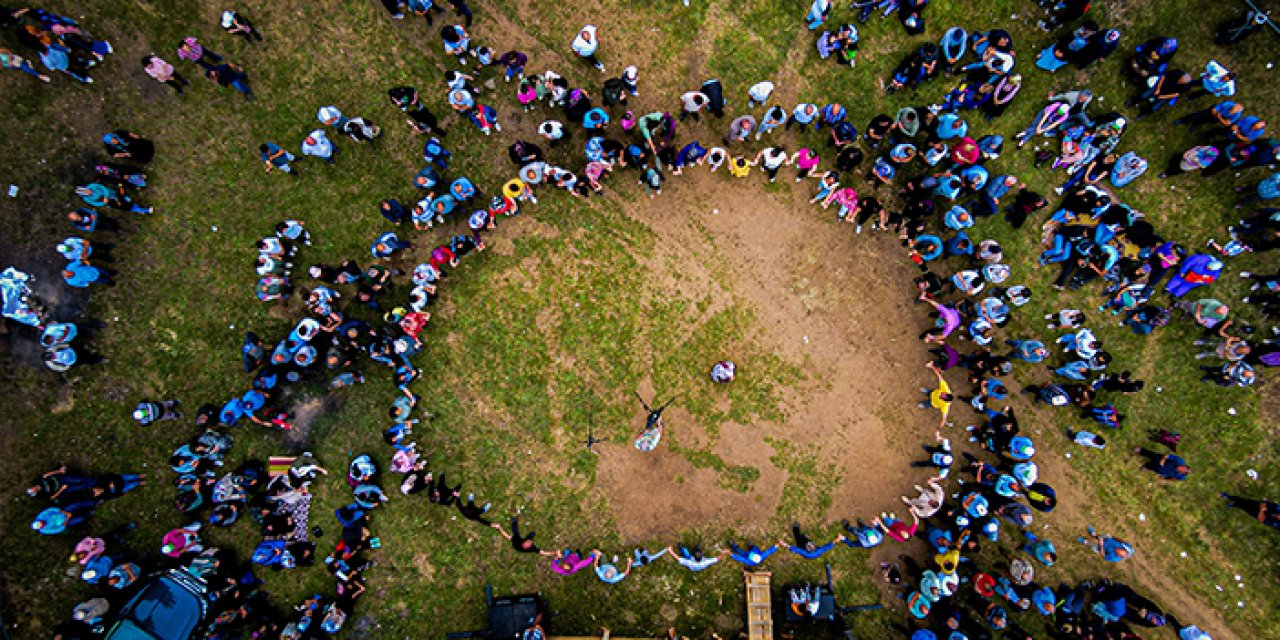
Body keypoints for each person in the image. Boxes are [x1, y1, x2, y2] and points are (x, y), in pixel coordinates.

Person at [917, 362, 952, 429]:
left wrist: (940, 427)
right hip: (933, 393)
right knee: (929, 392)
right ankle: (926, 391)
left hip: (932, 403)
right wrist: (932, 367)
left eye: (942, 396)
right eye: (943, 394)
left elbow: (944, 418)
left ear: (944, 400)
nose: (942, 394)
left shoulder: (945, 406)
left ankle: (923, 405)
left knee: (924, 404)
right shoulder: (946, 389)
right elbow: (940, 377)